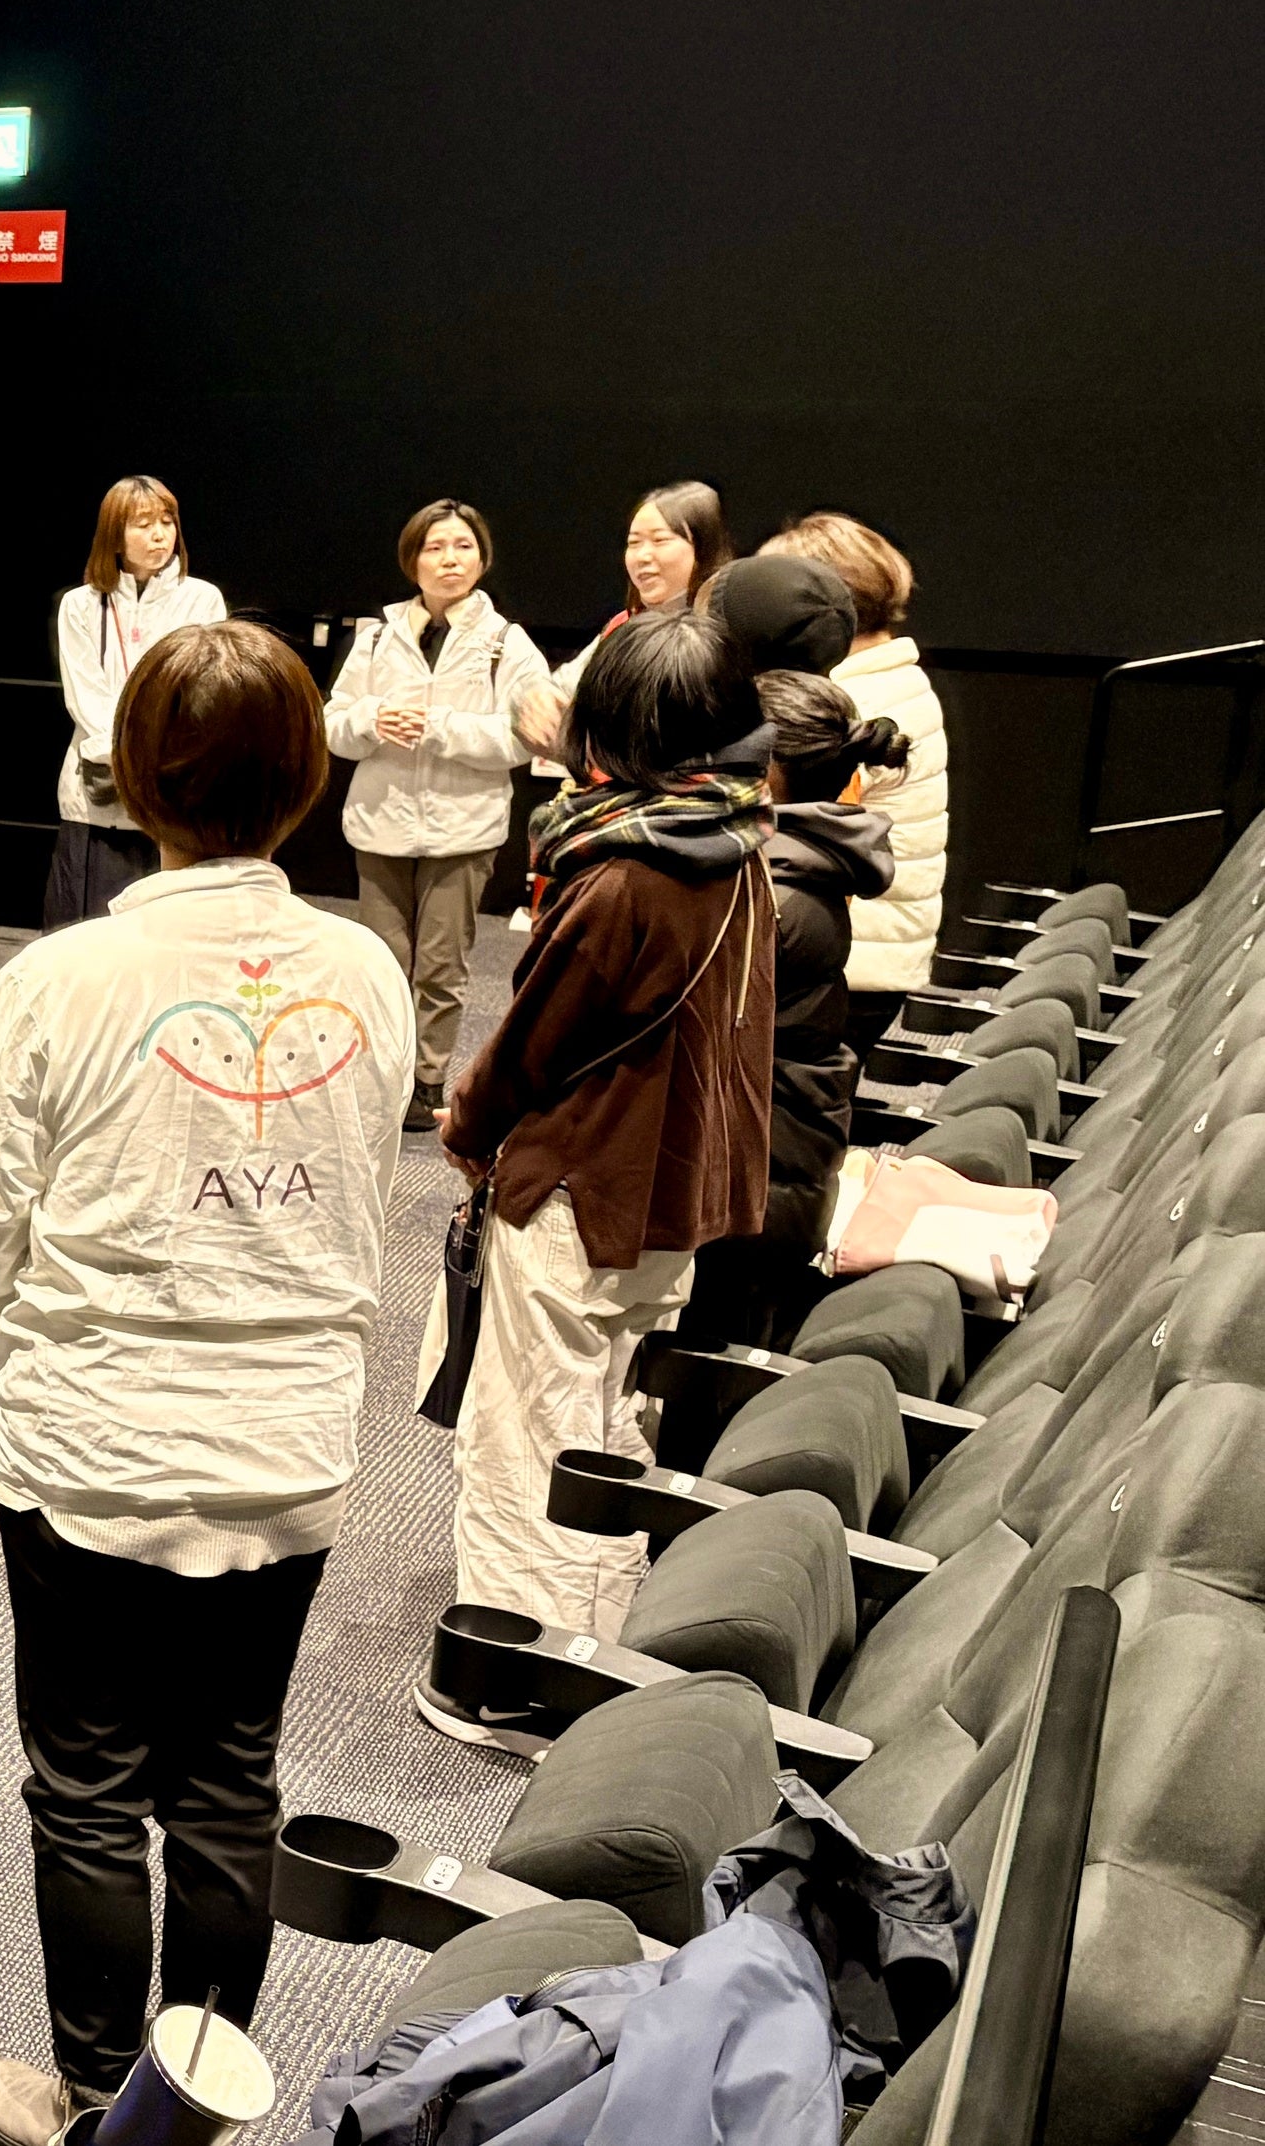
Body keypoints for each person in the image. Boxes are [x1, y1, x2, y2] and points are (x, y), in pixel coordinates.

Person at [0, 621, 410, 2146]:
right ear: (308, 778)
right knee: (227, 1780)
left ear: (135, 777)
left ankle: (97, 2100)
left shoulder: (61, 976)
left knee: (86, 1784)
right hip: (287, 1440)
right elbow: (361, 1196)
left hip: (95, 1439)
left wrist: (14, 1368)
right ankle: (186, 2118)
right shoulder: (369, 968)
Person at [431, 609, 773, 1730]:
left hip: (583, 1189)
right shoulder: (741, 841)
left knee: (530, 1437)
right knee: (608, 1423)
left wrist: (467, 1124)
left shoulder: (625, 874)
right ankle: (596, 1645)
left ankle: (517, 1684)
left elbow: (532, 1046)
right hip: (675, 1189)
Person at [684, 669, 904, 1351]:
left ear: (767, 768)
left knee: (704, 1367)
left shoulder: (765, 892)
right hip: (773, 1158)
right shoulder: (792, 865)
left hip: (751, 1178)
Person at [326, 499, 548, 1130]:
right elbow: (332, 724)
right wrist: (373, 719)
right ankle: (379, 1076)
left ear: (482, 558)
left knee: (442, 968)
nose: (450, 560)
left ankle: (425, 1082)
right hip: (381, 824)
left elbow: (524, 737)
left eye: (463, 546)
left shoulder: (506, 642)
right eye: (435, 547)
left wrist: (438, 727)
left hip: (463, 829)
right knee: (383, 964)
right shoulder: (376, 635)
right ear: (413, 560)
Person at [507, 482, 730, 920]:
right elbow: (557, 688)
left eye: (660, 540)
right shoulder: (622, 627)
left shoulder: (719, 636)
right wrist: (534, 700)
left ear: (703, 548)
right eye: (633, 542)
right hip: (601, 830)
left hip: (674, 843)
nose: (642, 556)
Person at [760, 511, 949, 1020]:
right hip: (872, 958)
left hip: (843, 966)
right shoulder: (896, 677)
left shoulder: (849, 699)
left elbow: (814, 845)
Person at [45, 474, 225, 927]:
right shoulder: (81, 604)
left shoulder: (202, 599)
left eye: (167, 522)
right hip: (100, 791)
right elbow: (84, 695)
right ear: (114, 535)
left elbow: (201, 692)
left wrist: (153, 756)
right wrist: (129, 754)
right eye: (143, 525)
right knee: (89, 930)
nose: (160, 535)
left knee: (166, 929)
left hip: (172, 787)